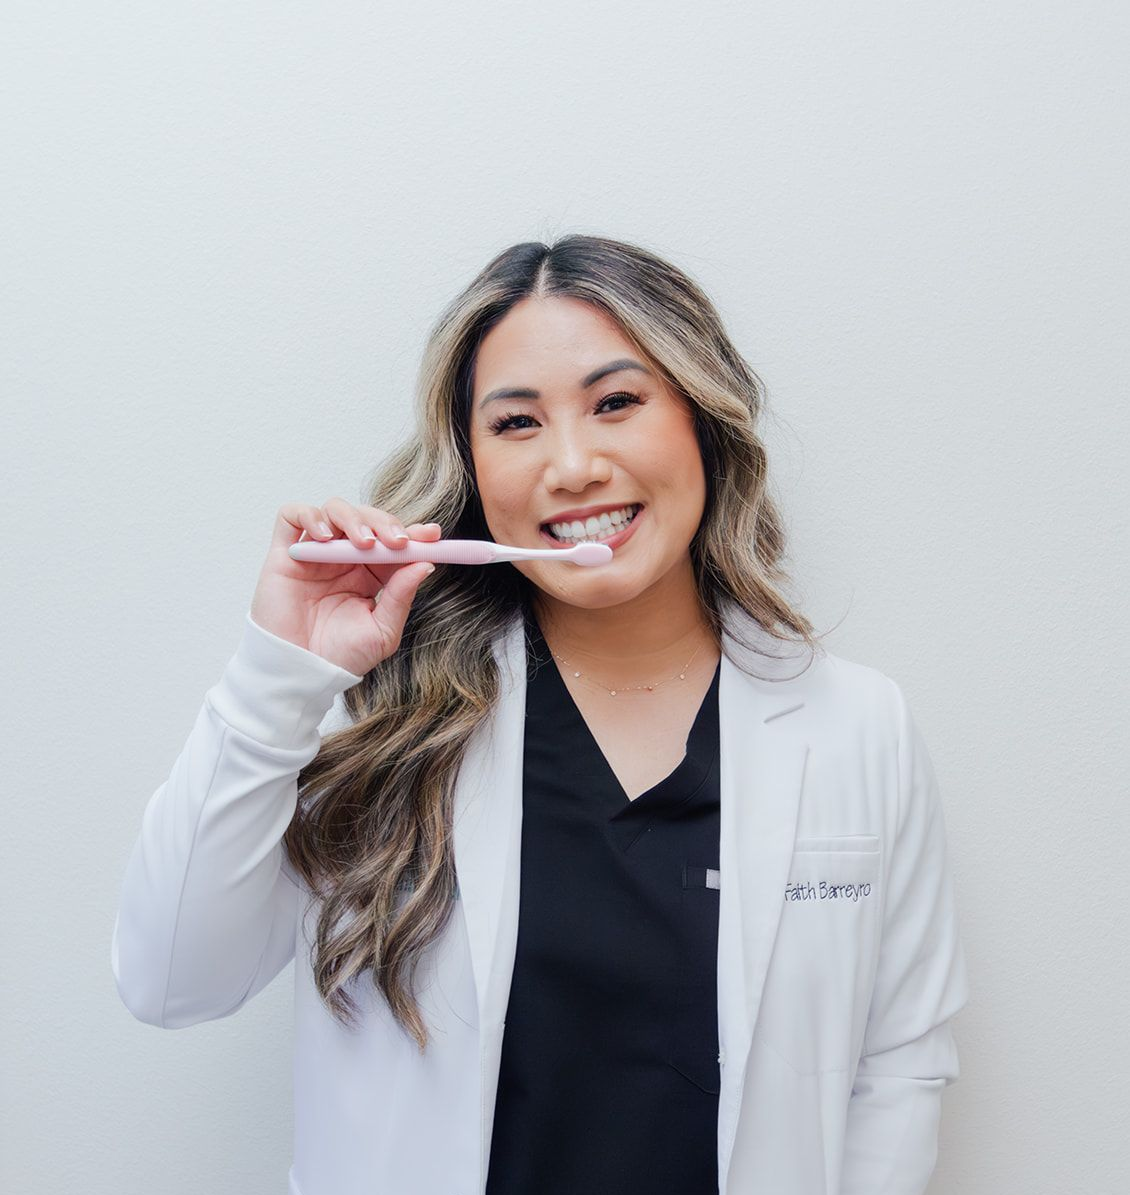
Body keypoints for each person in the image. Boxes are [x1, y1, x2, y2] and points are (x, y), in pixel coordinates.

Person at [111, 234, 969, 1195]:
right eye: (517, 424)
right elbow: (170, 979)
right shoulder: (385, 720)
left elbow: (898, 1066)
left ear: (702, 421)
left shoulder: (857, 727)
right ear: (472, 467)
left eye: (617, 402)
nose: (573, 465)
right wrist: (280, 673)